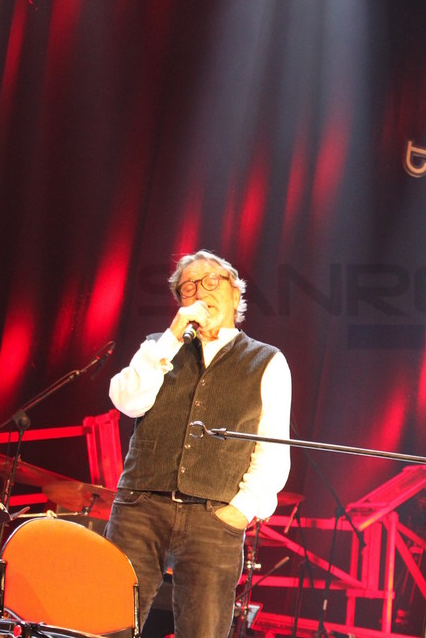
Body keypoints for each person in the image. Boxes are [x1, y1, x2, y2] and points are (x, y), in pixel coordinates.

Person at [104, 249, 291, 638]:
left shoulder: (267, 361)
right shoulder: (158, 348)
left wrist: (240, 510)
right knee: (109, 623)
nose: (200, 291)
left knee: (202, 631)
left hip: (214, 516)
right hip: (141, 507)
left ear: (235, 293)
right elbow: (127, 399)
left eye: (210, 281)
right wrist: (171, 337)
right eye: (188, 287)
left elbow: (272, 449)